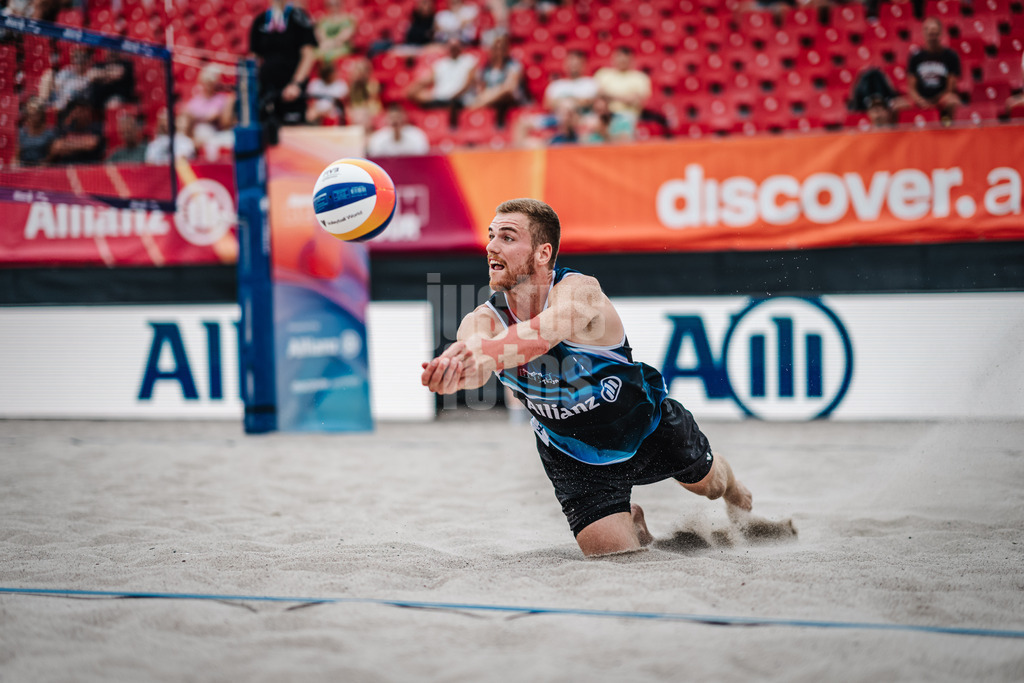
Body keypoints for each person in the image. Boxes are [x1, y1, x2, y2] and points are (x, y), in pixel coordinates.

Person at [420, 198, 755, 557]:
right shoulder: (481, 320)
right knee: (613, 557)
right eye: (490, 236)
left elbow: (549, 330)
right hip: (573, 452)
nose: (491, 246)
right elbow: (476, 359)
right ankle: (631, 518)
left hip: (646, 425)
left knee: (709, 485)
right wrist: (457, 373)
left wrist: (484, 354)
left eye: (506, 237)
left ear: (542, 253)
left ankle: (736, 490)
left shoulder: (580, 292)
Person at [248, 0, 318, 141]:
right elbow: (253, 58)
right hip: (267, 94)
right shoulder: (260, 21)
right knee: (267, 138)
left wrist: (296, 84)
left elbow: (309, 54)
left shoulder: (299, 17)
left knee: (294, 139)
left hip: (292, 93)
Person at [407, 36, 478, 128]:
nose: (453, 48)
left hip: (458, 100)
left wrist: (450, 97)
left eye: (456, 46)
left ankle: (451, 125)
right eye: (451, 46)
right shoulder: (440, 64)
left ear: (461, 47)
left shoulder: (469, 60)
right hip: (440, 98)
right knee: (414, 95)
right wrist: (414, 90)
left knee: (452, 105)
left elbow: (467, 84)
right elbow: (426, 80)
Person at [907, 17, 961, 120]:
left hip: (942, 98)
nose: (932, 37)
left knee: (953, 101)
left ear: (940, 34)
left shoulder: (951, 56)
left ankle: (949, 130)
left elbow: (951, 87)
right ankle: (902, 135)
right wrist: (919, 100)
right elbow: (911, 87)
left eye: (935, 33)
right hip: (920, 99)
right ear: (924, 33)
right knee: (897, 106)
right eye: (929, 33)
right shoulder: (915, 57)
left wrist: (937, 100)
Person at [468, 33, 523, 128]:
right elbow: (480, 89)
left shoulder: (513, 65)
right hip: (489, 99)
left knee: (505, 94)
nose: (499, 52)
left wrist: (486, 98)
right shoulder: (485, 68)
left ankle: (478, 108)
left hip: (508, 99)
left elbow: (509, 87)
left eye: (502, 48)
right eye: (496, 48)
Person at [593, 46, 651, 122]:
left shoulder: (640, 77)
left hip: (627, 115)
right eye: (619, 56)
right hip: (603, 114)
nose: (622, 60)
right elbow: (596, 95)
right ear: (613, 58)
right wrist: (623, 97)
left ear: (631, 60)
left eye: (625, 57)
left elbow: (634, 100)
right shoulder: (603, 73)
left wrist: (608, 96)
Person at [48, 96, 105, 164]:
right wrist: (82, 145)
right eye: (80, 111)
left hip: (89, 166)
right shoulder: (65, 128)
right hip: (66, 165)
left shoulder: (96, 127)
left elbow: (91, 144)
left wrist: (66, 145)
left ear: (90, 112)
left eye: (85, 110)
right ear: (74, 112)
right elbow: (57, 147)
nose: (82, 114)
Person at [366, 103, 430, 156]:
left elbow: (423, 158)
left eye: (398, 117)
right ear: (386, 119)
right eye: (392, 117)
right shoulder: (378, 138)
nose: (395, 121)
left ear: (404, 117)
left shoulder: (417, 136)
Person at [305, 60, 348, 125]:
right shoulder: (314, 84)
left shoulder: (341, 85)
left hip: (333, 114)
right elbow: (311, 103)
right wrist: (317, 112)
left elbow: (340, 104)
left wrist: (324, 112)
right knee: (310, 115)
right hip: (317, 115)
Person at [18, 96, 56, 166]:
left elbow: (52, 156)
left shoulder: (49, 133)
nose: (32, 118)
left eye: (35, 114)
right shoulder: (22, 133)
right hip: (24, 168)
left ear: (41, 115)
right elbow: (16, 156)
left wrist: (43, 165)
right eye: (30, 115)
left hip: (42, 168)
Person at [314, 0, 355, 64]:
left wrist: (332, 43)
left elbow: (345, 35)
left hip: (340, 46)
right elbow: (320, 34)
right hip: (326, 45)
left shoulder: (348, 18)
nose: (333, 7)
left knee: (329, 56)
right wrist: (325, 43)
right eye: (330, 4)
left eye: (336, 4)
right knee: (312, 54)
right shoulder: (323, 20)